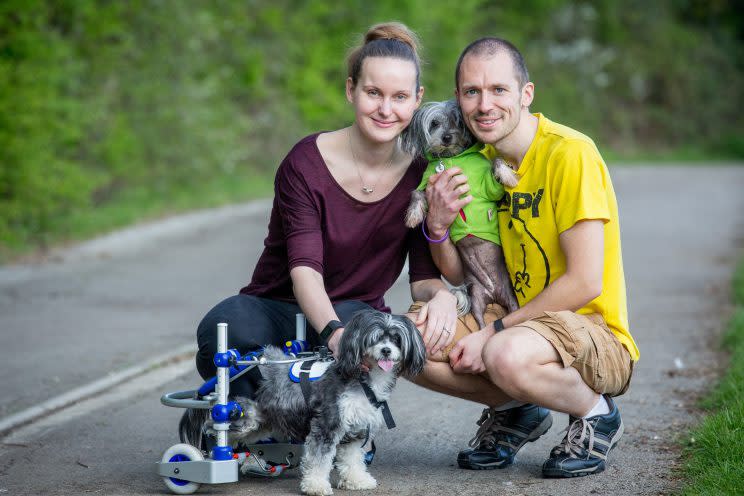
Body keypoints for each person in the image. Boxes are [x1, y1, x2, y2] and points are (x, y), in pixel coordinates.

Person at [192, 22, 459, 402]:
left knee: (373, 334)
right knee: (224, 327)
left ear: (418, 99)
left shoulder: (421, 173)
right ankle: (265, 414)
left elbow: (422, 280)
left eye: (399, 96)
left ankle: (314, 415)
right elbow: (304, 270)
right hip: (280, 309)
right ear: (351, 90)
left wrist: (444, 296)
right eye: (372, 93)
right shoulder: (305, 163)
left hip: (356, 313)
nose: (385, 109)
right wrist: (333, 334)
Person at [416, 37, 640, 478]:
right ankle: (520, 409)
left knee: (503, 353)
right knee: (405, 341)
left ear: (526, 94)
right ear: (458, 99)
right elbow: (459, 271)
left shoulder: (569, 153)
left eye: (499, 89)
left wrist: (493, 331)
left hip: (592, 331)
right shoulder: (475, 161)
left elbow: (585, 283)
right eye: (471, 92)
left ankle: (596, 413)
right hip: (517, 318)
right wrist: (438, 226)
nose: (485, 105)